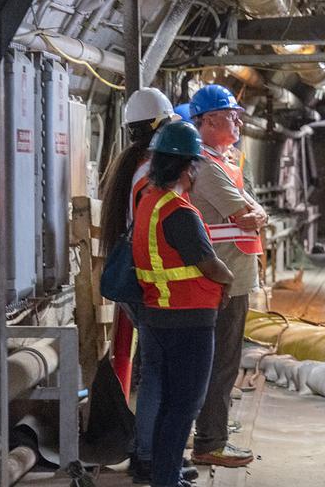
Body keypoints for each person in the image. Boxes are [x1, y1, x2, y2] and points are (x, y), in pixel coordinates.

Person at [99, 87, 200, 483]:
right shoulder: (148, 172)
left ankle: (153, 454)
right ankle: (149, 457)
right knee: (160, 372)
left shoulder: (133, 166)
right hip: (151, 284)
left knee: (156, 369)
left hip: (140, 280)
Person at [132, 121, 235, 487]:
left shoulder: (149, 201)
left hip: (156, 315)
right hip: (188, 321)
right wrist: (228, 279)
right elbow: (208, 262)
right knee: (184, 406)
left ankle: (165, 473)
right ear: (187, 166)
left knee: (167, 404)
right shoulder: (179, 211)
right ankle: (166, 479)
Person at [188, 84, 267, 468]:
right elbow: (244, 214)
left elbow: (258, 211)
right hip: (222, 280)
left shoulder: (223, 163)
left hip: (230, 276)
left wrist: (257, 215)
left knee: (224, 362)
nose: (237, 120)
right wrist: (255, 215)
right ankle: (210, 441)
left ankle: (211, 431)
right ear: (207, 121)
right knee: (221, 363)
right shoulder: (205, 167)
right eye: (230, 114)